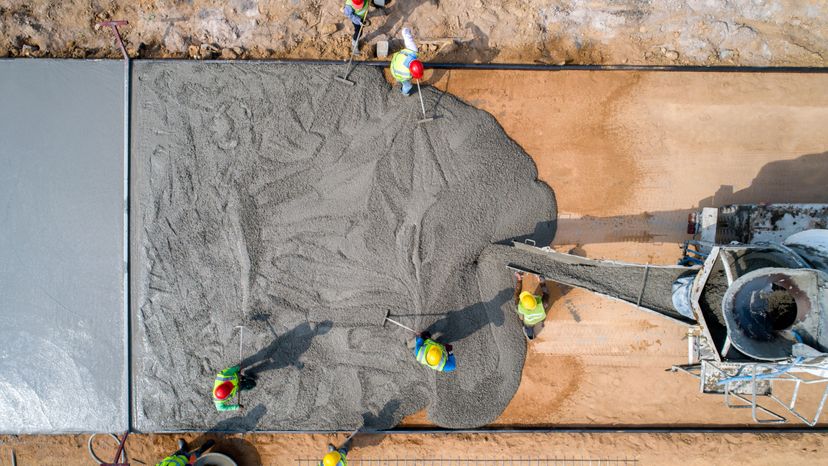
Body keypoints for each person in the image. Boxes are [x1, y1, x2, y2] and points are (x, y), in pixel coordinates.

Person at [513, 271, 550, 340]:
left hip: (535, 320)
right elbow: (546, 293)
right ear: (533, 298)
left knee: (526, 323)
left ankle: (530, 336)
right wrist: (542, 282)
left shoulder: (521, 308)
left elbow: (516, 296)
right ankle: (519, 278)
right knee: (522, 317)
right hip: (537, 317)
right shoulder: (543, 304)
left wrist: (542, 282)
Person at [389, 27, 424, 96]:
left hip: (393, 64)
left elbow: (408, 40)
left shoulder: (413, 51)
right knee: (408, 86)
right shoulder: (407, 75)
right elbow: (409, 76)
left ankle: (398, 80)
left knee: (399, 77)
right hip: (396, 74)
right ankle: (404, 93)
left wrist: (406, 32)